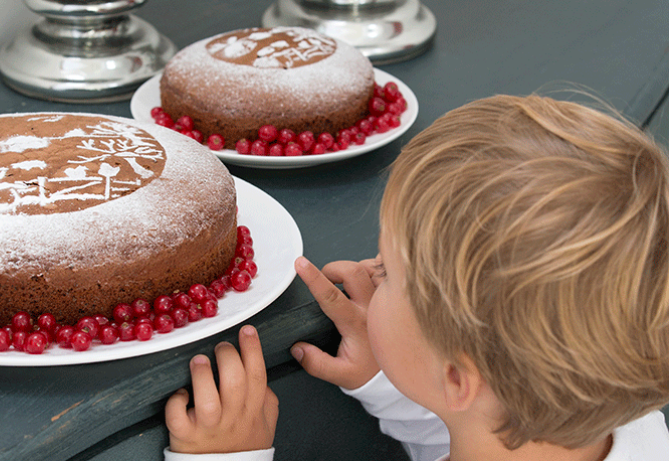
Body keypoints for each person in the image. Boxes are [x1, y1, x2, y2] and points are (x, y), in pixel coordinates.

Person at [162, 94, 669, 461]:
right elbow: (482, 432)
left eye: (388, 270)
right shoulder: (639, 428)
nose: (367, 271)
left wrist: (226, 458)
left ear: (455, 378)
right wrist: (388, 377)